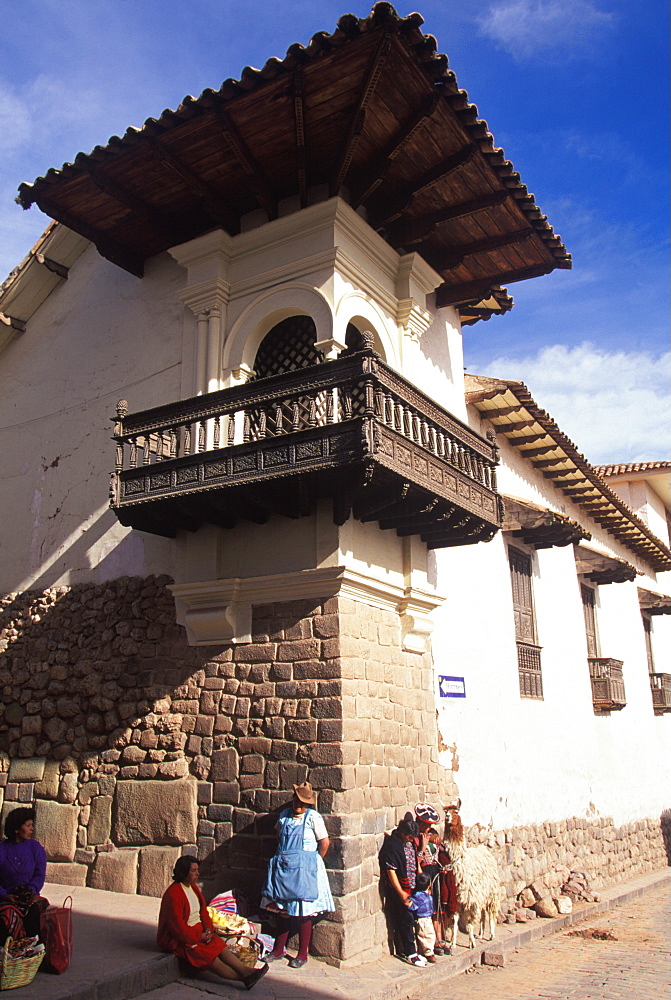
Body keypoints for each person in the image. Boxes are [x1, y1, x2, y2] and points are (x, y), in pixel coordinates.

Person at [157, 855, 268, 991]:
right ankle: (243, 977)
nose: (198, 874)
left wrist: (209, 929)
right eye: (193, 871)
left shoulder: (193, 888)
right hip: (179, 938)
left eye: (197, 870)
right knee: (206, 953)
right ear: (183, 872)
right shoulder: (173, 894)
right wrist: (199, 937)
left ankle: (246, 970)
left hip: (197, 930)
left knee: (217, 944)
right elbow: (178, 928)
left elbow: (203, 911)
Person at [261, 781, 334, 968]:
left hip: (305, 870)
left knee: (303, 912)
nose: (299, 806)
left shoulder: (313, 818)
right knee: (283, 910)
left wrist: (313, 861)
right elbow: (279, 837)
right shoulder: (284, 816)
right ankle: (278, 949)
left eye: (303, 804)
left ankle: (302, 954)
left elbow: (324, 843)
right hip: (284, 868)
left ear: (309, 804)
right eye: (296, 802)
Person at [378, 816, 426, 966]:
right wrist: (401, 893)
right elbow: (391, 871)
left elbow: (413, 862)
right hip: (400, 889)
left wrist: (420, 875)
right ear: (403, 833)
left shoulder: (408, 844)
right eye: (410, 837)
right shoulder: (393, 846)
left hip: (410, 887)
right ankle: (410, 953)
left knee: (411, 919)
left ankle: (407, 950)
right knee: (405, 919)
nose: (412, 840)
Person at [0, 807, 48, 944]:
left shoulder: (35, 848)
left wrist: (31, 891)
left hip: (29, 897)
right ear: (16, 829)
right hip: (7, 898)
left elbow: (39, 875)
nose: (31, 829)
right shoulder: (2, 849)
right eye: (28, 826)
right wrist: (4, 895)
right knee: (6, 916)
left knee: (34, 912)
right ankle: (9, 955)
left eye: (32, 825)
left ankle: (34, 952)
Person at [414, 802, 451, 955]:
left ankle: (439, 938)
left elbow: (439, 844)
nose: (428, 828)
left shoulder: (432, 834)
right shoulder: (415, 838)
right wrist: (422, 847)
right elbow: (416, 859)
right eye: (425, 825)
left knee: (437, 906)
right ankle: (428, 942)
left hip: (435, 872)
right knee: (426, 908)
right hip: (424, 874)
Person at [408, 872, 436, 963]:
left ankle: (422, 951)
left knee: (422, 935)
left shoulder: (417, 895)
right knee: (427, 935)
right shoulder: (421, 897)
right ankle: (428, 953)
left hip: (424, 918)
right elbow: (413, 906)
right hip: (424, 919)